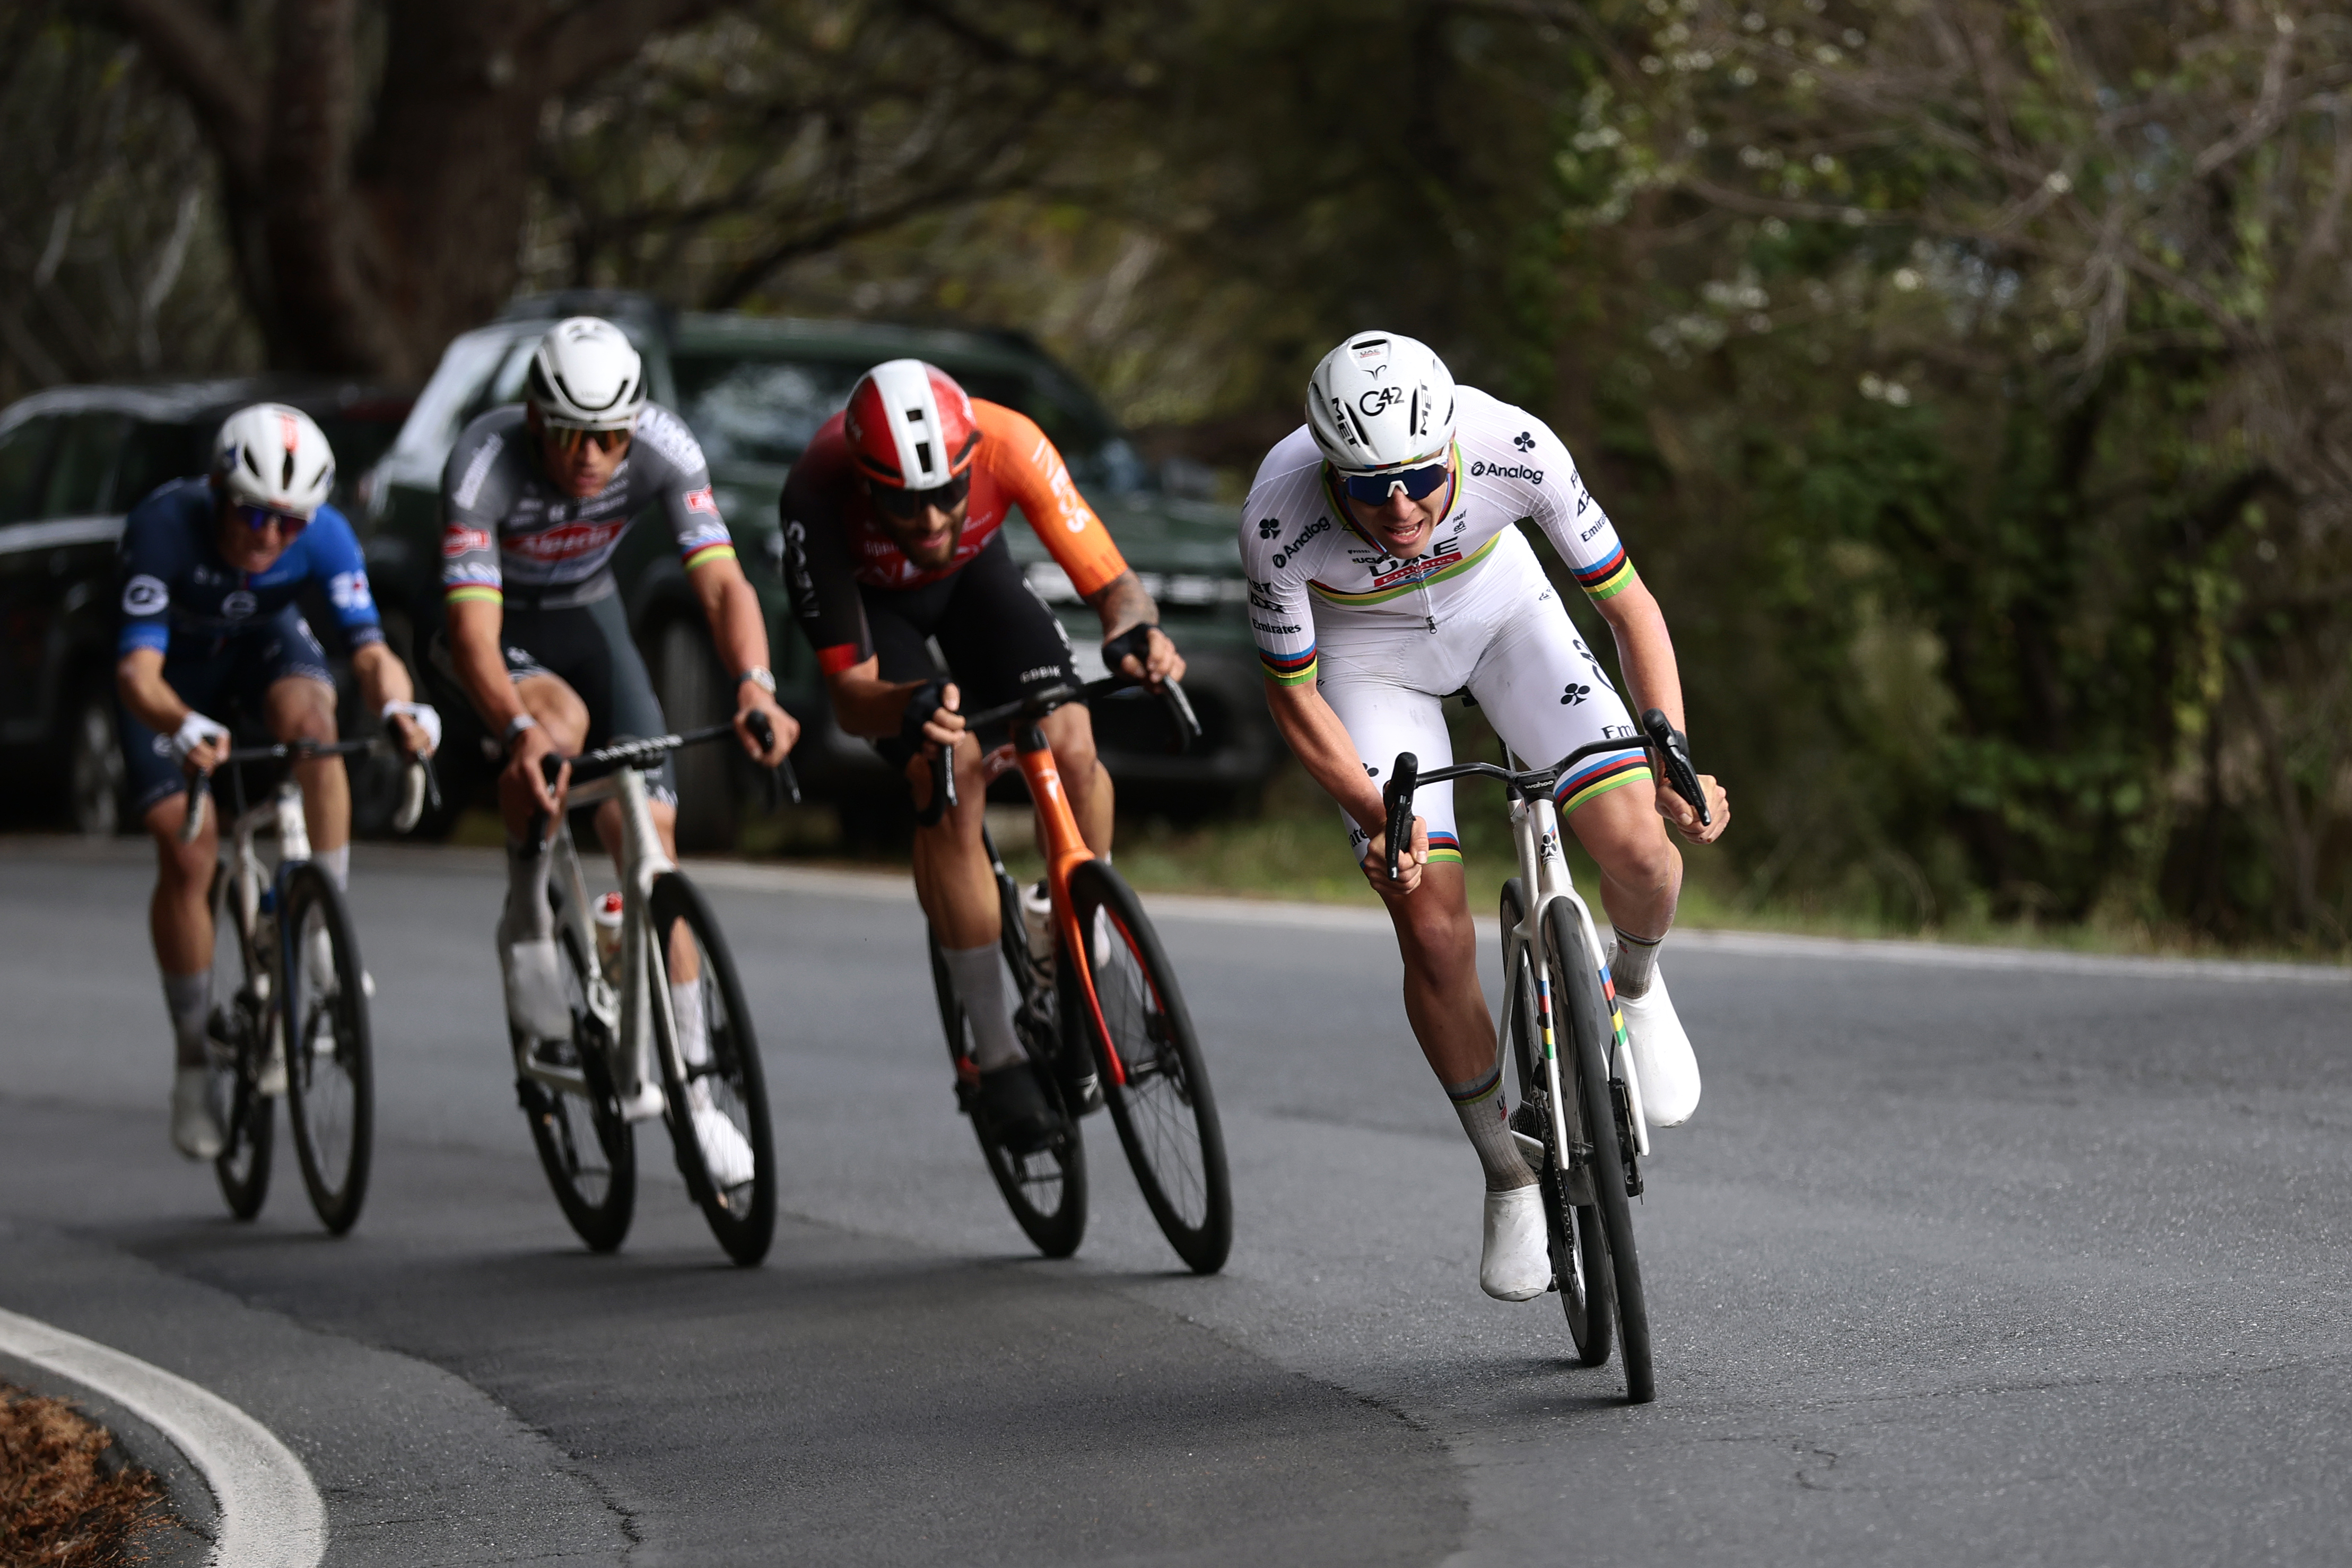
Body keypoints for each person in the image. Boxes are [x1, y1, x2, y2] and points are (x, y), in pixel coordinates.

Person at [1240, 331, 1730, 1301]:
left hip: (1503, 615)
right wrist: (1375, 818)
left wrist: (1670, 750)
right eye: (1368, 488)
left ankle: (1633, 985)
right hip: (1367, 660)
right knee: (1429, 925)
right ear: (1329, 469)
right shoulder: (1277, 514)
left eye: (1421, 480)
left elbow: (1629, 608)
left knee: (1642, 846)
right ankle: (1505, 1171)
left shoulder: (1515, 445)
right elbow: (1294, 698)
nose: (1400, 508)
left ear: (1451, 448)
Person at [779, 359, 1183, 1148]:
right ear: (865, 481)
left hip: (975, 582)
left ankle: (1084, 944)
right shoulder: (816, 493)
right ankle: (995, 1053)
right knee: (951, 770)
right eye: (903, 500)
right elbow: (850, 697)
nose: (930, 519)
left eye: (947, 493)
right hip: (874, 611)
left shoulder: (1011, 443)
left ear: (970, 462)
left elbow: (1115, 585)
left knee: (1070, 735)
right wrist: (906, 708)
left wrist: (1134, 631)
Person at [437, 316, 797, 1184]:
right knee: (555, 733)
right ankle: (529, 909)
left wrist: (755, 684)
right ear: (537, 419)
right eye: (572, 436)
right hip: (494, 625)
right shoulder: (484, 461)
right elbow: (474, 637)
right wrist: (516, 731)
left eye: (610, 437)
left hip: (589, 617)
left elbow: (722, 583)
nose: (593, 457)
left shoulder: (663, 445)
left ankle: (697, 1098)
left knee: (652, 845)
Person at [117, 403, 440, 1160]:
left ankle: (323, 927)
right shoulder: (164, 527)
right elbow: (136, 674)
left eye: (288, 524)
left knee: (316, 730)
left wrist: (400, 707)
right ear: (218, 492)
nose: (269, 537)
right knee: (189, 853)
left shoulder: (326, 534)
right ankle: (193, 1060)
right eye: (253, 515)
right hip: (170, 679)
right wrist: (181, 724)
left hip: (260, 648)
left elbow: (370, 652)